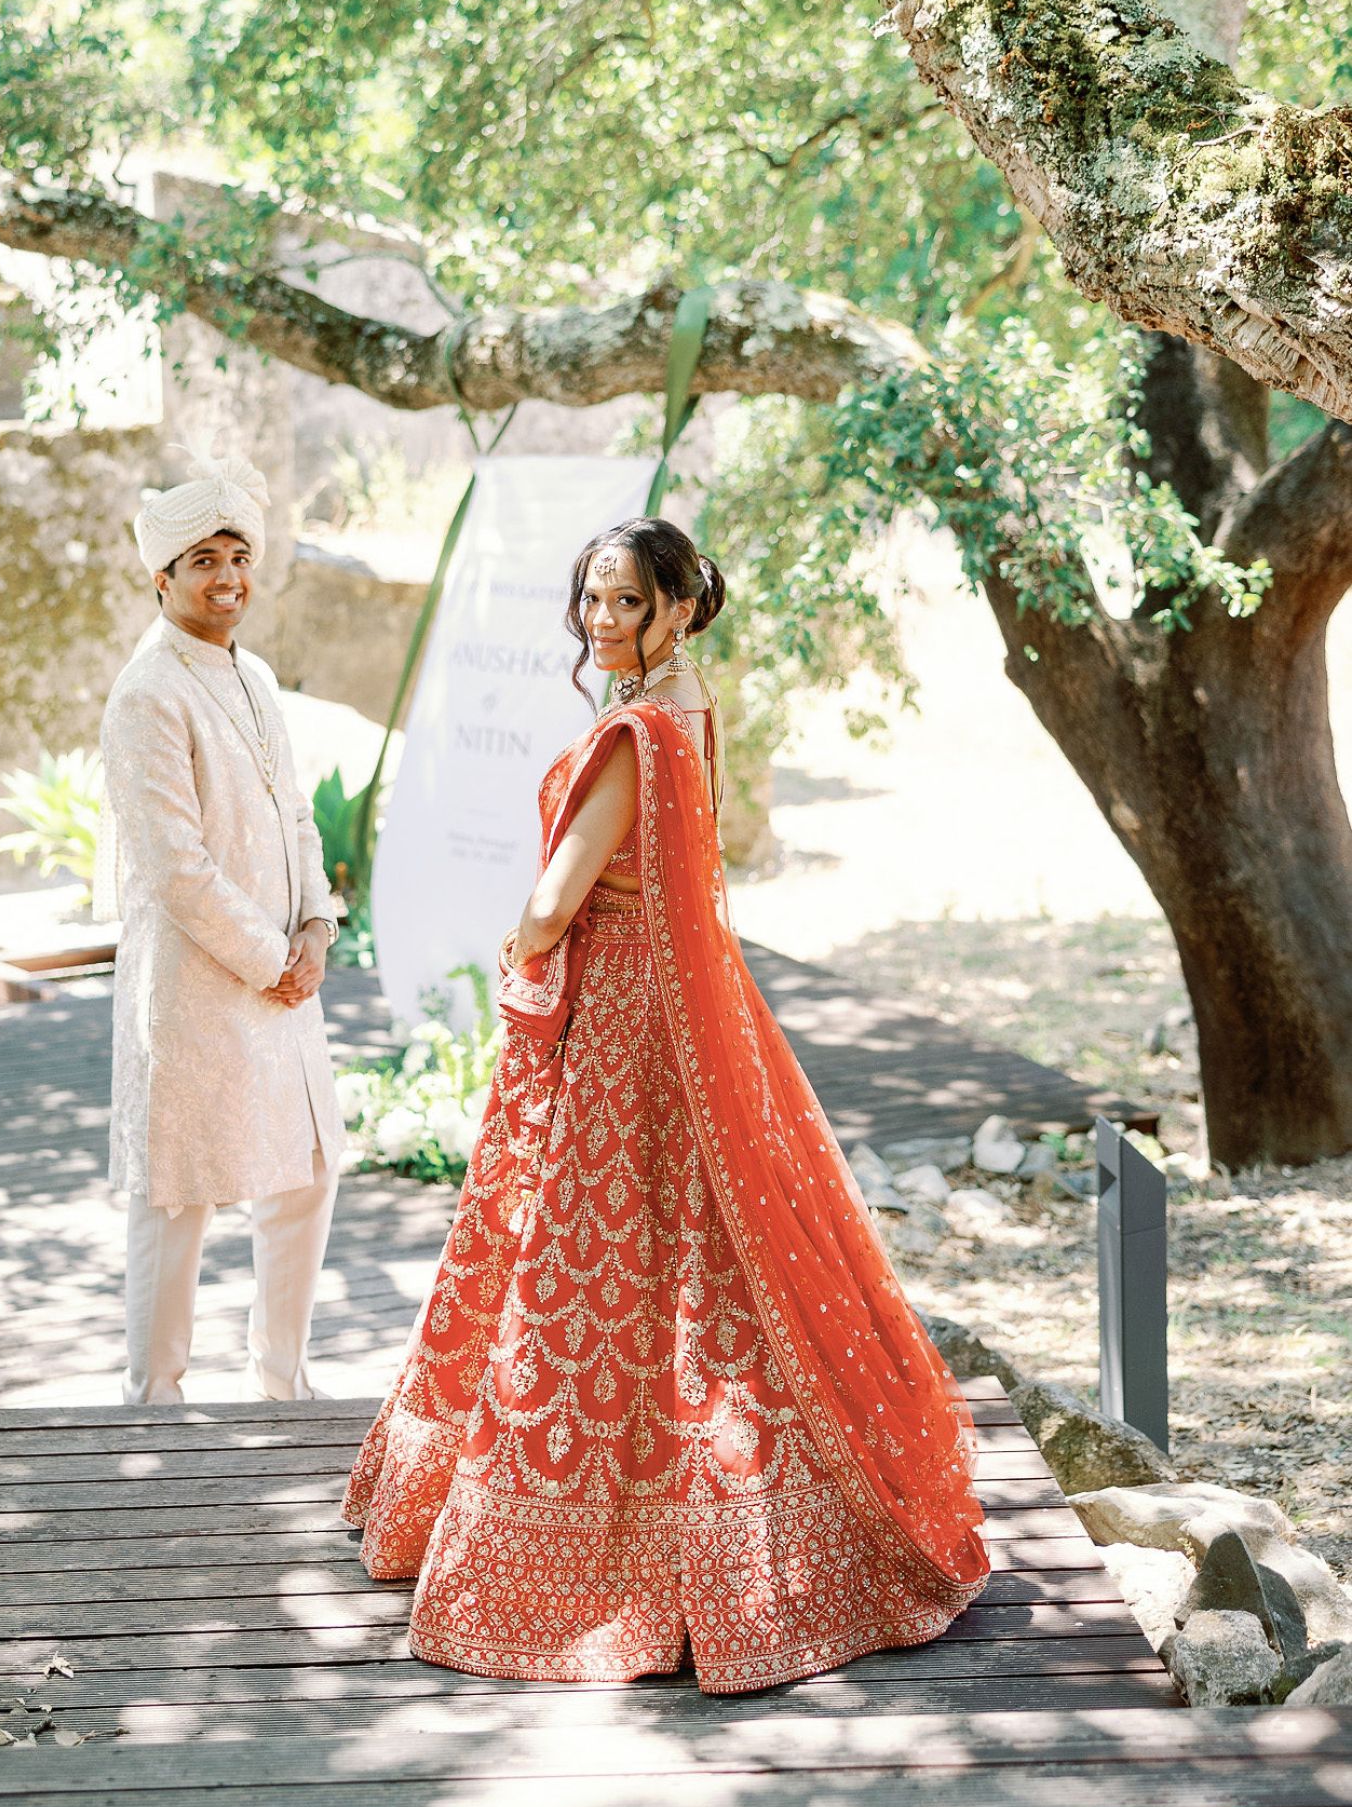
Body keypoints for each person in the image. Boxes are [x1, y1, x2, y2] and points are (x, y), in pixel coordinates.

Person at [344, 515, 989, 1690]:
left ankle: (602, 1553)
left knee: (592, 1250)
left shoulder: (636, 729)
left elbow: (557, 898)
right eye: (593, 598)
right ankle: (728, 1517)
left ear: (682, 607)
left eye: (629, 601)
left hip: (626, 1011)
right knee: (692, 1250)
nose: (603, 620)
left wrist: (522, 951)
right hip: (690, 1004)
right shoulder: (688, 704)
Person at [101, 454, 343, 1406]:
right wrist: (272, 956)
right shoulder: (148, 693)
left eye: (238, 556)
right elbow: (175, 867)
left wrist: (316, 924)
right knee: (179, 1191)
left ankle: (281, 1384)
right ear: (162, 578)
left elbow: (296, 815)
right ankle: (153, 1401)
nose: (228, 577)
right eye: (204, 560)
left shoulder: (257, 675)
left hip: (285, 972)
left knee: (307, 1172)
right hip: (197, 983)